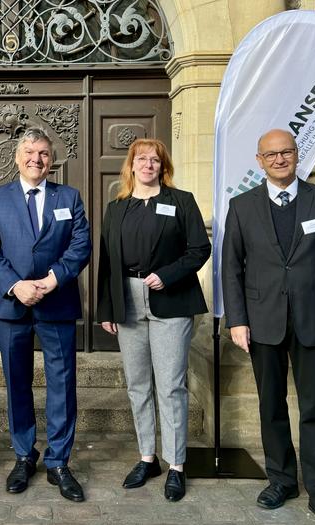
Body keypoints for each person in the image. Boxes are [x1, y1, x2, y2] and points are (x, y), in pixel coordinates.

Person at [222, 129, 315, 525]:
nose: (280, 159)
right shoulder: (242, 206)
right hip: (263, 323)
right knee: (271, 407)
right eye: (271, 154)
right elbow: (232, 268)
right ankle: (281, 480)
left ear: (297, 155)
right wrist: (237, 320)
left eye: (287, 152)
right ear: (259, 161)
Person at [0, 127, 91, 502]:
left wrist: (52, 279)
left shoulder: (69, 197)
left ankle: (59, 461)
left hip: (56, 301)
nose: (35, 159)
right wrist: (16, 284)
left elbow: (81, 244)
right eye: (29, 152)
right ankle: (24, 455)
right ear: (16, 157)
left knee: (61, 383)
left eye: (43, 153)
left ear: (51, 159)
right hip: (12, 303)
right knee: (17, 382)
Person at [96, 138, 210, 501]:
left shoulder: (181, 202)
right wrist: (107, 309)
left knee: (171, 385)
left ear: (163, 167)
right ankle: (148, 458)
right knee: (138, 384)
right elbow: (106, 261)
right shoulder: (117, 208)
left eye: (155, 160)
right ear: (130, 166)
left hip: (170, 301)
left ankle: (175, 464)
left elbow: (199, 249)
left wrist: (169, 274)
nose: (148, 165)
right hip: (127, 301)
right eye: (141, 159)